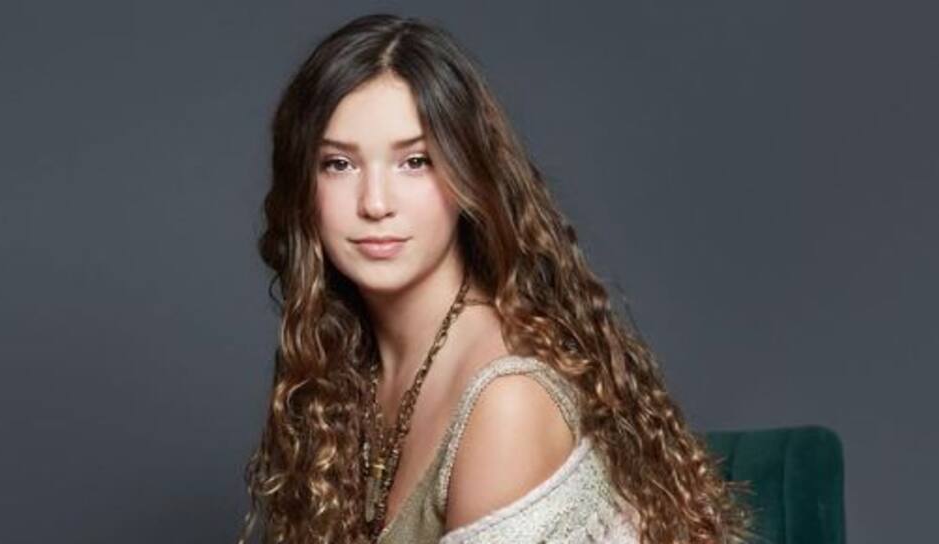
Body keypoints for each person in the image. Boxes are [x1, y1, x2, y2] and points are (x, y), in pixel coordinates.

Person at [238, 12, 755, 544]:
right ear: (301, 185)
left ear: (467, 175)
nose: (374, 203)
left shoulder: (505, 399)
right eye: (338, 164)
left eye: (415, 161)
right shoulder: (347, 369)